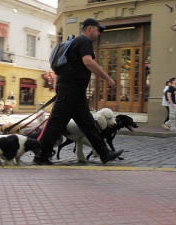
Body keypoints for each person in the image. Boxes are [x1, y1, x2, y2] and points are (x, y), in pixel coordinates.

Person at [33, 18, 123, 165]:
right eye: (98, 30)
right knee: (56, 123)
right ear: (90, 28)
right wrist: (108, 78)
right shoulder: (83, 41)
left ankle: (104, 153)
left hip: (75, 91)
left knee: (87, 124)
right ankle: (41, 155)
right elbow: (88, 62)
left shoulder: (78, 42)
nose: (99, 33)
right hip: (71, 90)